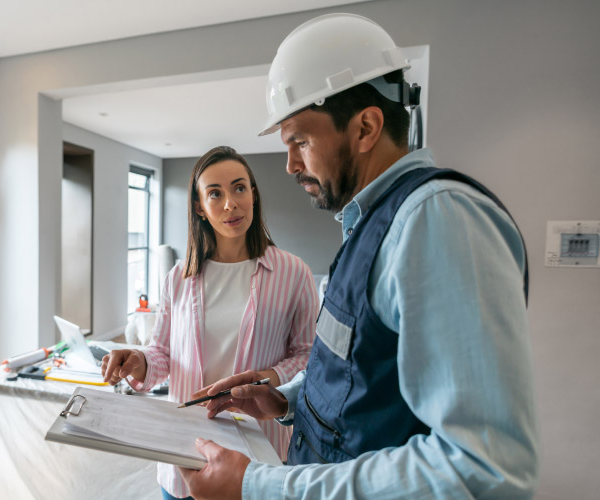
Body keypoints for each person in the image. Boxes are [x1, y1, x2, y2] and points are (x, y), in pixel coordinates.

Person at [179, 13, 539, 499]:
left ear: (366, 126)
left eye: (300, 142)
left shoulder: (437, 221)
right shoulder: (374, 226)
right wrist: (284, 400)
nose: (290, 165)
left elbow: (481, 467)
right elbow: (361, 379)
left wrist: (257, 487)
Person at [102, 146, 320, 500]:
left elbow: (309, 355)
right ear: (200, 207)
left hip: (259, 460)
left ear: (253, 194)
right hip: (185, 456)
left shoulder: (294, 273)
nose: (230, 203)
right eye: (215, 194)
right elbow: (162, 353)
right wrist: (139, 362)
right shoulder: (179, 278)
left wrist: (265, 382)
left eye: (239, 188)